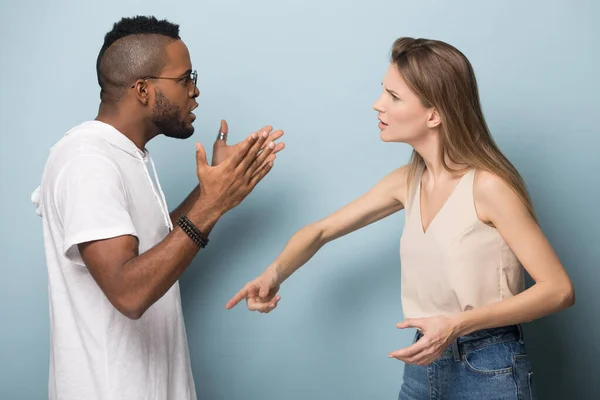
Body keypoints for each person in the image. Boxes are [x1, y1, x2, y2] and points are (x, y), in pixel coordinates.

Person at [225, 37, 575, 399]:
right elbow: (321, 230)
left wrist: (456, 324)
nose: (379, 105)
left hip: (487, 366)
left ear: (434, 114)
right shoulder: (407, 182)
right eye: (383, 92)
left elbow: (559, 290)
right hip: (422, 365)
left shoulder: (488, 187)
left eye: (394, 97)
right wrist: (274, 273)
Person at [31, 15, 284, 400]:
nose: (195, 91)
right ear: (143, 89)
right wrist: (211, 205)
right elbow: (129, 293)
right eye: (185, 79)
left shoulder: (127, 157)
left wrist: (214, 188)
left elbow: (154, 256)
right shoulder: (87, 162)